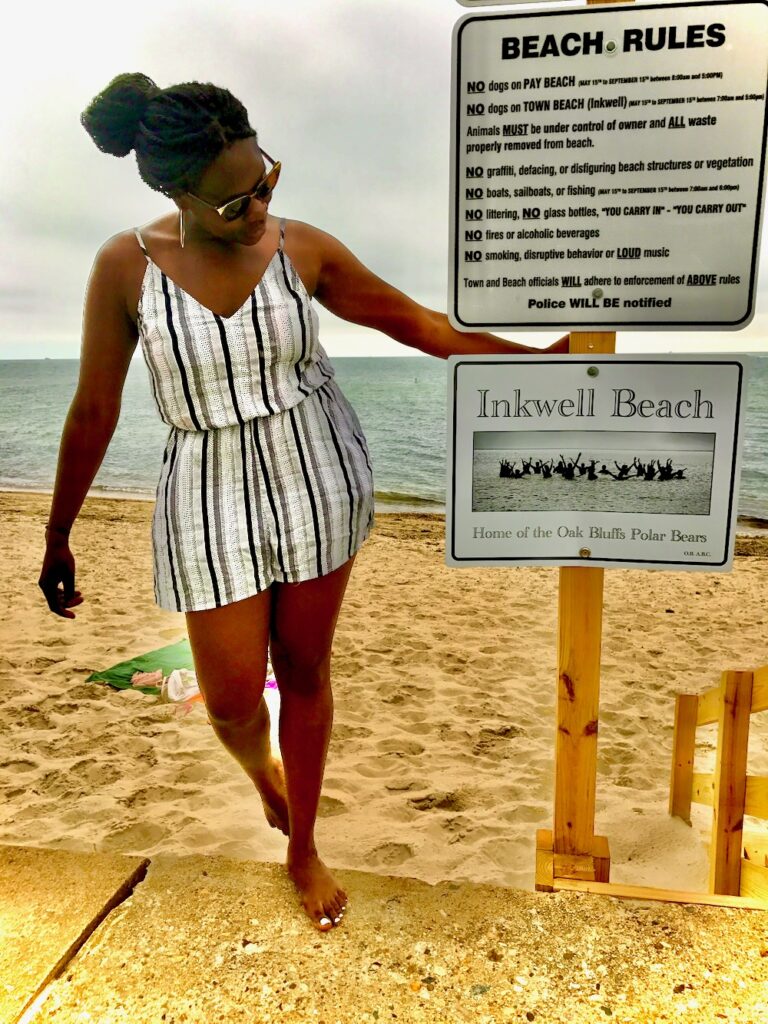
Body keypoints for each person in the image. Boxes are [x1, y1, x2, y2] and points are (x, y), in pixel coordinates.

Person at [38, 74, 569, 932]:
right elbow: (94, 407)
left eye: (265, 181)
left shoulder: (300, 249)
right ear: (176, 193)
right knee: (231, 698)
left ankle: (304, 845)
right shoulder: (123, 268)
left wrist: (532, 361)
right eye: (234, 201)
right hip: (205, 491)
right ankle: (262, 774)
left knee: (307, 667)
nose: (257, 208)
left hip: (318, 469)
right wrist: (58, 532)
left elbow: (419, 323)